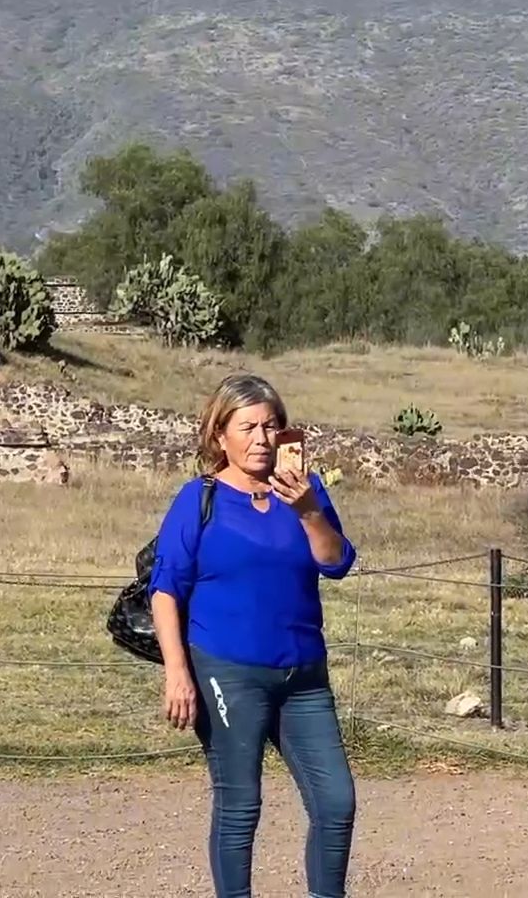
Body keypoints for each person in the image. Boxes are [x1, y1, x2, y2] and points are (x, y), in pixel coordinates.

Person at [148, 373, 357, 898]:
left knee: (336, 803)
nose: (263, 438)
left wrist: (308, 509)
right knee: (241, 803)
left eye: (272, 426)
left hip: (304, 674)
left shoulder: (308, 495)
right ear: (221, 435)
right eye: (249, 427)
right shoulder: (201, 498)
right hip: (228, 669)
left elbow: (336, 563)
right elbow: (166, 588)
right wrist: (178, 673)